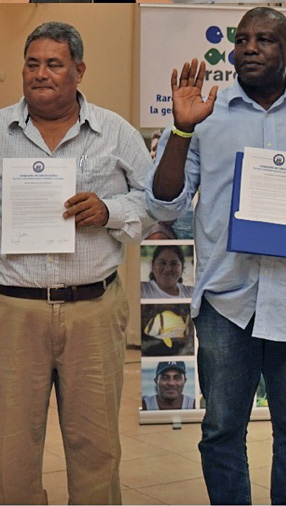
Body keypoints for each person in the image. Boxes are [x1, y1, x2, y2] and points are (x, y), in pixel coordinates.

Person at [146, 7, 286, 505]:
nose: (252, 47)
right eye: (244, 39)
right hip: (225, 300)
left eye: (267, 40)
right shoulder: (204, 114)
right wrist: (182, 130)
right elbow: (163, 202)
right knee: (220, 429)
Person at [0, 21, 154, 504]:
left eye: (53, 64)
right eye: (32, 63)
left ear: (79, 70)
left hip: (92, 308)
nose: (40, 74)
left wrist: (110, 212)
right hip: (12, 311)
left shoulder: (115, 132)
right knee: (9, 449)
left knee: (96, 446)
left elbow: (156, 204)